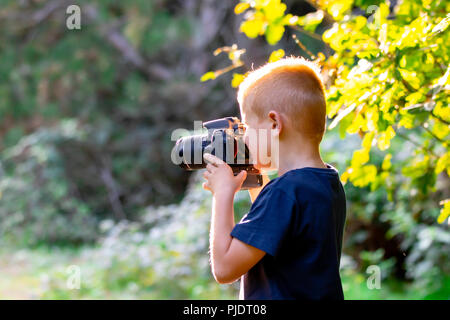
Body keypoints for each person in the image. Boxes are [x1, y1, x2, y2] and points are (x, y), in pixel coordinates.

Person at [202, 57, 346, 300]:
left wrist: (223, 193)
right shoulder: (327, 182)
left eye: (247, 127)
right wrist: (255, 180)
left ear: (274, 123)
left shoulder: (284, 192)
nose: (244, 138)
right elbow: (276, 231)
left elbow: (225, 268)